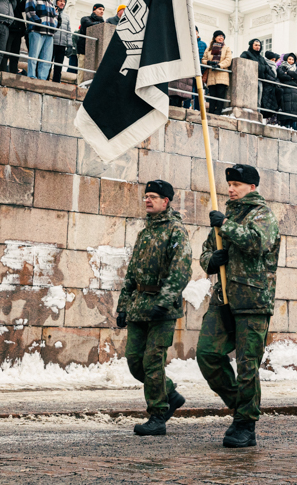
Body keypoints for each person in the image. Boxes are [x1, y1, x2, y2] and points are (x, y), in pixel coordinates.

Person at [198, 164, 281, 448]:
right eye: (229, 183)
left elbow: (258, 243)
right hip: (223, 297)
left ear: (252, 187)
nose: (231, 188)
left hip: (253, 301)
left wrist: (225, 225)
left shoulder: (262, 214)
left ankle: (246, 424)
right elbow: (205, 252)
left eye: (237, 184)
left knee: (248, 365)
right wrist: (212, 260)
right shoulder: (225, 216)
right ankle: (242, 406)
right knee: (207, 354)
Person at [115, 179, 192, 437]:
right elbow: (132, 272)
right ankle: (170, 394)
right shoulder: (145, 232)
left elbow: (181, 271)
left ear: (165, 201)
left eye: (153, 197)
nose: (147, 200)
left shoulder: (176, 231)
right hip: (139, 307)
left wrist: (165, 300)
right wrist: (123, 306)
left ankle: (158, 415)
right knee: (135, 361)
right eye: (146, 196)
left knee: (152, 361)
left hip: (162, 310)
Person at [24, 0, 58, 80]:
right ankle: (31, 75)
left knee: (47, 58)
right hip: (36, 31)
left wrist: (53, 25)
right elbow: (30, 11)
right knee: (33, 55)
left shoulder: (50, 3)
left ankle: (42, 78)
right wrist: (38, 22)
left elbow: (55, 16)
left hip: (49, 33)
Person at [201, 31, 232, 115]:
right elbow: (203, 59)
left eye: (222, 36)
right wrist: (209, 62)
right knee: (212, 94)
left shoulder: (226, 48)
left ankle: (218, 112)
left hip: (222, 74)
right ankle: (211, 112)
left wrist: (219, 65)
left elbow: (228, 60)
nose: (221, 37)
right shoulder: (209, 49)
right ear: (215, 37)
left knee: (220, 94)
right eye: (219, 36)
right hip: (212, 75)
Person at [275, 53, 297, 128]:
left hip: (294, 91)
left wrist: (289, 73)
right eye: (289, 59)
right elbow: (281, 75)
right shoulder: (281, 67)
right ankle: (284, 125)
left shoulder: (295, 68)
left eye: (292, 59)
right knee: (285, 108)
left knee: (293, 110)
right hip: (285, 89)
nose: (291, 61)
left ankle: (290, 126)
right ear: (286, 59)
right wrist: (292, 77)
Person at [78, 4, 107, 73]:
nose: (102, 11)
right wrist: (101, 24)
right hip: (83, 49)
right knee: (82, 70)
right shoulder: (85, 19)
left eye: (103, 10)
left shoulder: (103, 22)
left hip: (96, 51)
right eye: (100, 9)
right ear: (94, 10)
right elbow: (89, 25)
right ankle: (80, 84)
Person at [51, 0, 73, 82]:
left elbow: (68, 30)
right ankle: (44, 80)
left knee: (59, 66)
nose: (62, 3)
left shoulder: (66, 16)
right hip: (51, 43)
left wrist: (70, 45)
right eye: (60, 1)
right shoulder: (51, 12)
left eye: (64, 2)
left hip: (62, 45)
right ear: (56, 1)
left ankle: (56, 82)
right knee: (48, 64)